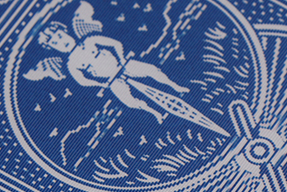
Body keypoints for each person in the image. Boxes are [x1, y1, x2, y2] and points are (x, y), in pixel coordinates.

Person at [35, 17, 188, 123]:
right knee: (129, 101)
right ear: (53, 48)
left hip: (122, 65)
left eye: (60, 36)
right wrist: (101, 84)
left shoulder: (89, 41)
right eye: (55, 43)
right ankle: (155, 113)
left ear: (66, 32)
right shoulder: (71, 64)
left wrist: (121, 59)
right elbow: (81, 80)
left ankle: (175, 86)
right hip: (111, 80)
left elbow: (115, 43)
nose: (61, 42)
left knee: (152, 70)